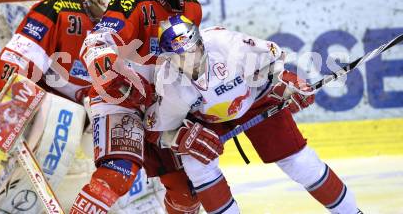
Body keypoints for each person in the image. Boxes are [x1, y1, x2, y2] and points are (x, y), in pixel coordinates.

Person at [0, 0, 162, 214]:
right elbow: (17, 59)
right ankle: (12, 207)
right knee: (63, 126)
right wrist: (10, 111)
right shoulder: (57, 9)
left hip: (99, 102)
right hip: (52, 106)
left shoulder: (131, 14)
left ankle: (139, 206)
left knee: (129, 141)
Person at [145, 15, 364, 214]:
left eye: (192, 51)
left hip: (255, 99)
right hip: (205, 119)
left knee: (300, 163)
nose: (189, 61)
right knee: (197, 166)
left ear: (201, 43)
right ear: (169, 59)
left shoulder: (227, 44)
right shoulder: (169, 82)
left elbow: (273, 66)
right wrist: (180, 138)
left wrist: (287, 84)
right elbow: (157, 129)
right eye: (179, 57)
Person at [71, 0, 203, 214]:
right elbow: (97, 42)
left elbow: (196, 59)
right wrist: (116, 80)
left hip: (162, 105)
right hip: (119, 100)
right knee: (117, 174)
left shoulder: (192, 6)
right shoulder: (130, 2)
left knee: (188, 191)